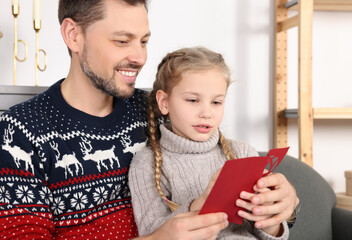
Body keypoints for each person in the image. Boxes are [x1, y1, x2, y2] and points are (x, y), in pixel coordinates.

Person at [0, 0, 297, 239]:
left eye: (143, 41)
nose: (140, 57)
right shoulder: (20, 133)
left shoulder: (160, 111)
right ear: (73, 35)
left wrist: (284, 205)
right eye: (122, 41)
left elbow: (224, 167)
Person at [128, 47, 293, 239]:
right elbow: (152, 234)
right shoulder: (146, 163)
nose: (207, 113)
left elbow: (271, 232)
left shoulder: (242, 152)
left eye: (216, 102)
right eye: (193, 100)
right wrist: (200, 204)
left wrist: (270, 219)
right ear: (164, 102)